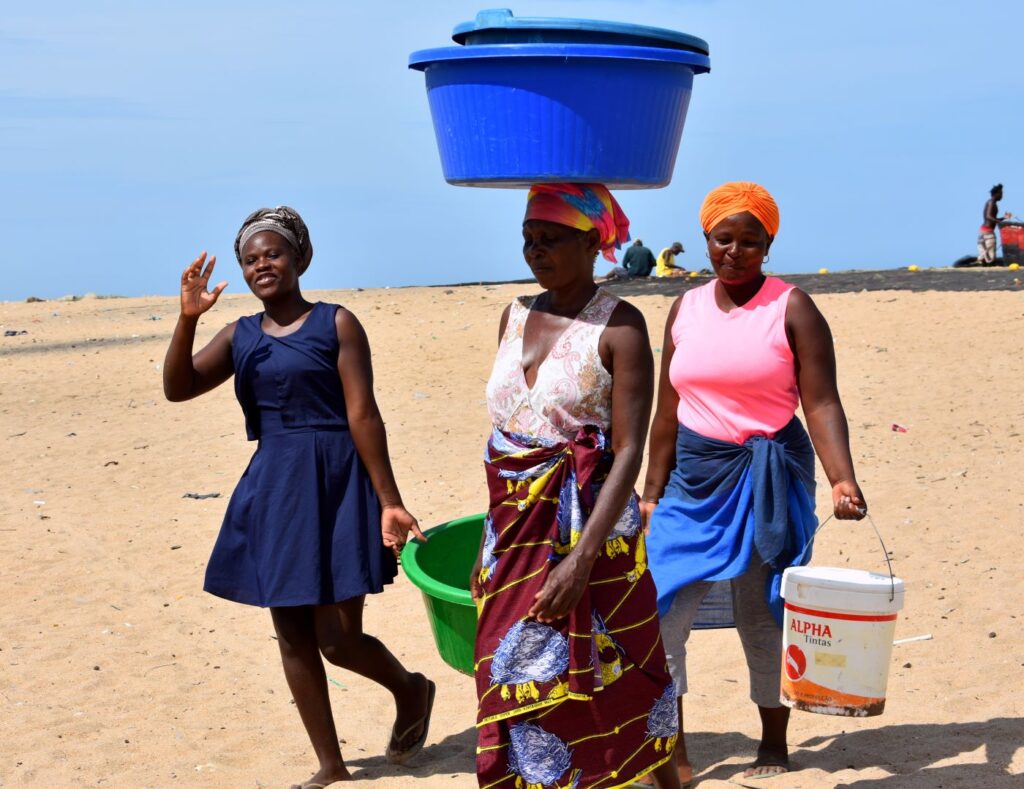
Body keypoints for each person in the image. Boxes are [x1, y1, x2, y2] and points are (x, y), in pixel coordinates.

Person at [162, 206, 434, 789]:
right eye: (251, 258)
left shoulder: (336, 323)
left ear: (299, 258)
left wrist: (389, 498)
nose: (262, 264)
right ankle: (330, 765)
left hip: (337, 481)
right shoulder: (239, 335)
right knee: (289, 629)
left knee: (338, 640)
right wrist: (186, 320)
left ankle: (410, 689)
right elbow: (178, 388)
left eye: (273, 253)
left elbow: (363, 413)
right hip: (275, 487)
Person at [639, 183, 867, 784]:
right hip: (693, 479)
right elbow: (668, 407)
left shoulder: (793, 307)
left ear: (768, 245)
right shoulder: (684, 308)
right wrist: (650, 490)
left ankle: (774, 743)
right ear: (707, 239)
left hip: (767, 477)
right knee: (663, 612)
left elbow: (820, 403)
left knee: (760, 613)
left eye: (750, 241)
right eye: (724, 238)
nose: (735, 251)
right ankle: (674, 753)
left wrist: (843, 478)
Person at [472, 183, 682, 789]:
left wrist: (582, 560)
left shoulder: (619, 326)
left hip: (594, 529)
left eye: (551, 240)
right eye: (529, 240)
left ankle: (663, 781)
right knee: (512, 674)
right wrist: (491, 546)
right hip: (512, 532)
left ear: (591, 242)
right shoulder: (512, 316)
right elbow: (505, 437)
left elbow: (630, 449)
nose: (535, 252)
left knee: (623, 666)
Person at [978, 184, 1012, 265]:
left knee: (984, 257)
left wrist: (1004, 218)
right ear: (996, 194)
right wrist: (1000, 223)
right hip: (988, 234)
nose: (1002, 196)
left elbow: (991, 218)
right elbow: (988, 216)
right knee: (990, 258)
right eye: (1001, 193)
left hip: (983, 231)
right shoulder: (991, 203)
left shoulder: (990, 202)